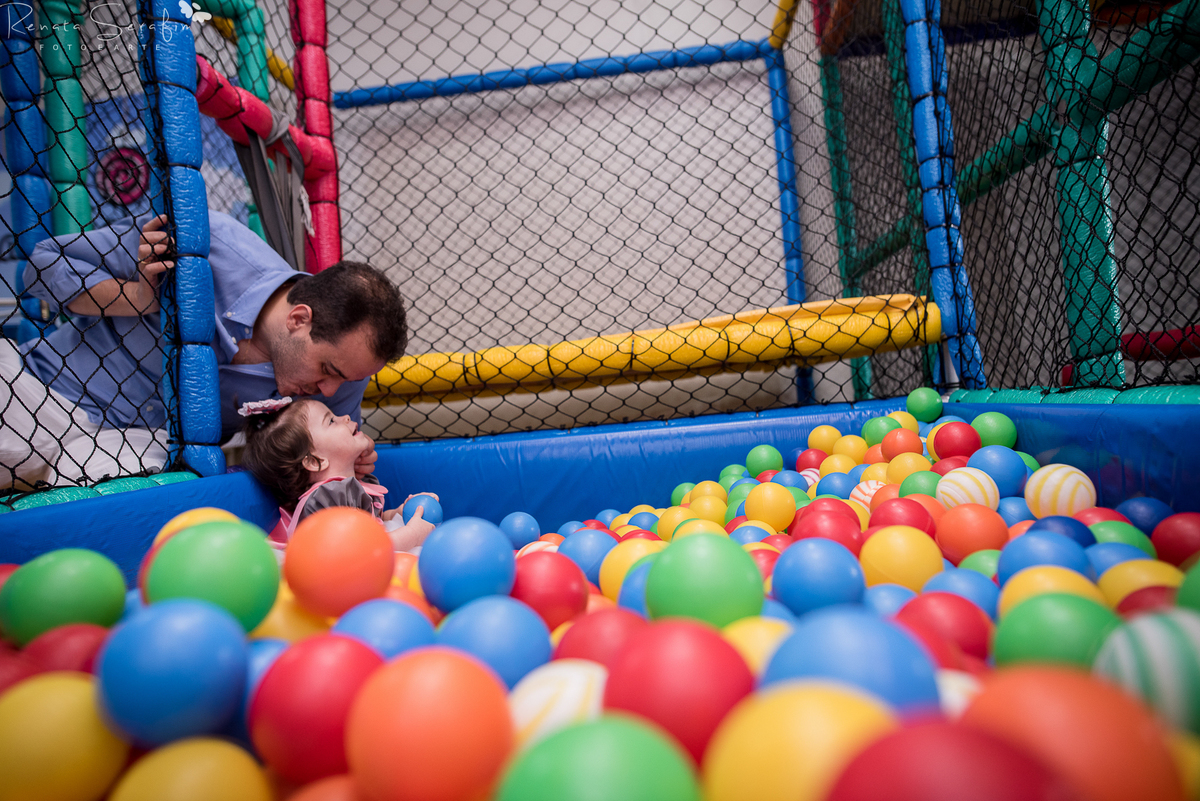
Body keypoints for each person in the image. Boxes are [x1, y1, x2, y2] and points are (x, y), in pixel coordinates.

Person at [1, 209, 407, 489]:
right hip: (41, 391)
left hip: (142, 447)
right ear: (298, 319)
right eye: (328, 369)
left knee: (122, 506)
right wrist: (138, 297)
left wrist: (351, 467)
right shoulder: (208, 243)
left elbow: (322, 468)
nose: (332, 392)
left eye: (347, 379)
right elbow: (43, 263)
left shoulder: (343, 378)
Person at [238, 396, 435, 554]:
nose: (346, 417)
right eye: (331, 421)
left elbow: (374, 523)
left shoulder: (355, 485)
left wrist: (401, 511)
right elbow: (357, 551)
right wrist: (411, 535)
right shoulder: (327, 497)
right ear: (315, 461)